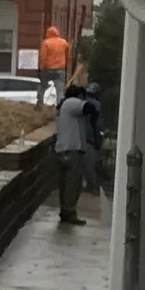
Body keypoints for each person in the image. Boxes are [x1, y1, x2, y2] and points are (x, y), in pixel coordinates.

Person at [52, 68, 102, 223]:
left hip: (62, 150)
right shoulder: (73, 103)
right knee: (74, 183)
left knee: (65, 183)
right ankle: (70, 212)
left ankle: (64, 210)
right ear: (79, 95)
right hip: (72, 150)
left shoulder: (64, 107)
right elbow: (90, 108)